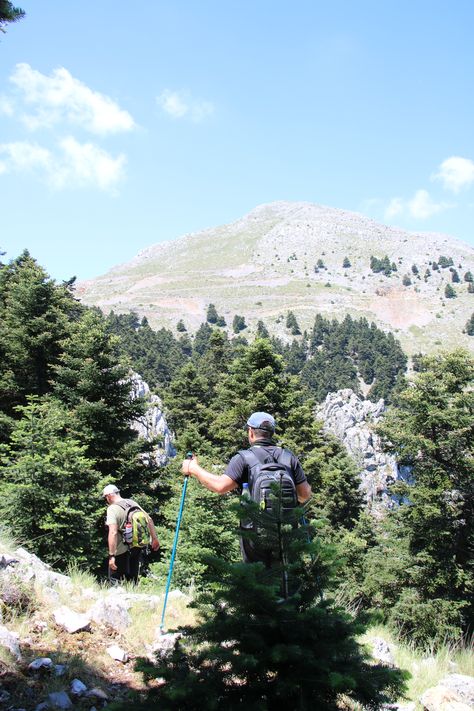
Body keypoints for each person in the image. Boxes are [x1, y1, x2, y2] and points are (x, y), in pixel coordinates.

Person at [181, 412, 312, 561]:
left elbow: (219, 486)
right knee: (286, 576)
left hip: (255, 535)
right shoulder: (288, 457)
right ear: (272, 433)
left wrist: (193, 469)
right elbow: (305, 493)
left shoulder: (244, 458)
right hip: (287, 532)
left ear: (250, 432)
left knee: (257, 580)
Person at [103, 484, 160, 584]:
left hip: (120, 551)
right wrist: (154, 539)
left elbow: (113, 532)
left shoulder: (112, 509)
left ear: (109, 496)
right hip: (136, 548)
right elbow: (149, 520)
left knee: (115, 581)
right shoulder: (132, 503)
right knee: (132, 582)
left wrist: (112, 556)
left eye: (105, 497)